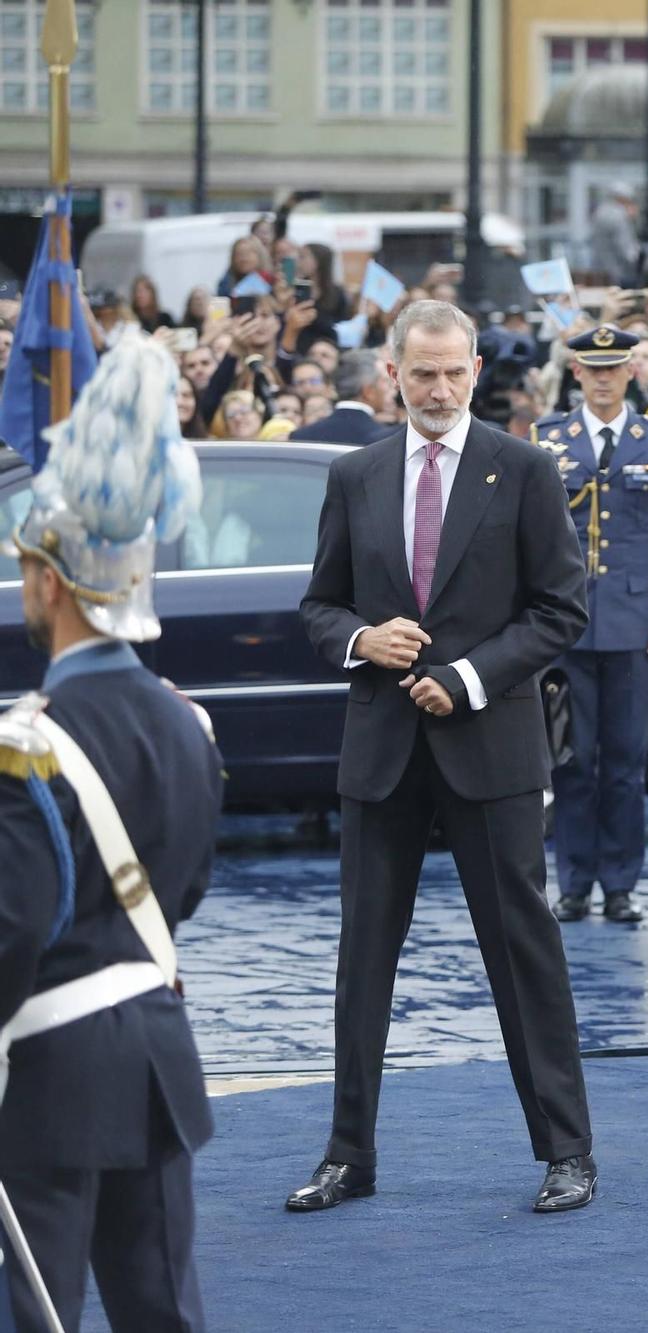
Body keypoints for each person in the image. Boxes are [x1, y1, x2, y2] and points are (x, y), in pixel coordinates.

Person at [290, 301, 597, 1215]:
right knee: (362, 959)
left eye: (451, 372)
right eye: (420, 373)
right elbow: (318, 606)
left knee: (523, 951)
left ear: (474, 371)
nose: (436, 388)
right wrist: (359, 639)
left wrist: (466, 676)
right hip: (380, 750)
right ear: (392, 373)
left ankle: (567, 1151)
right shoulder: (355, 474)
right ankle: (350, 1155)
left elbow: (561, 609)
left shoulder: (525, 468)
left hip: (491, 746)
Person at [0, 338, 222, 1333]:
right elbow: (182, 892)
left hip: (49, 1067)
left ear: (49, 583)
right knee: (161, 1312)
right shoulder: (189, 721)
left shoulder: (27, 743)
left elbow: (13, 926)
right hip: (156, 1053)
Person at [536, 325, 648, 923]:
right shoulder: (548, 439)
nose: (603, 378)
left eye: (614, 368)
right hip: (565, 622)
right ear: (576, 372)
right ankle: (574, 883)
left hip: (634, 623)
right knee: (571, 760)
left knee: (626, 763)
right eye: (592, 368)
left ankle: (622, 885)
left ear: (631, 371)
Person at [290, 349, 396, 444]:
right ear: (368, 392)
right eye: (384, 381)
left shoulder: (300, 436)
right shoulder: (386, 440)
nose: (390, 387)